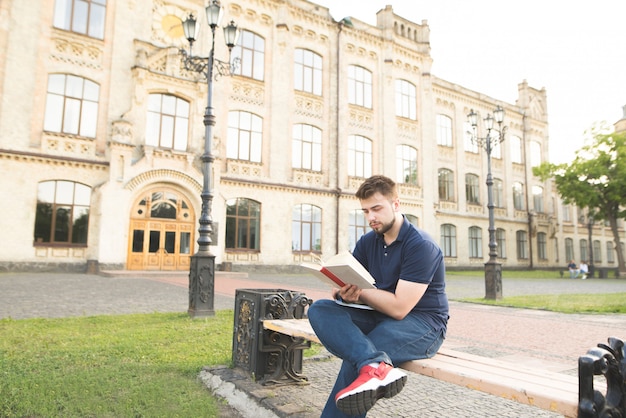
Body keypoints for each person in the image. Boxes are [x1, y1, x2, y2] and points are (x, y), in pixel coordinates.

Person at [307, 175, 449, 417]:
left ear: (396, 204)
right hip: (379, 314)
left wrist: (361, 293)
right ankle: (375, 366)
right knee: (320, 309)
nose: (371, 217)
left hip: (424, 325)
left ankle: (370, 365)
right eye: (365, 211)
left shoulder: (421, 245)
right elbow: (342, 286)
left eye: (376, 208)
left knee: (365, 350)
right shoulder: (368, 241)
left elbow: (399, 308)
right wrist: (344, 292)